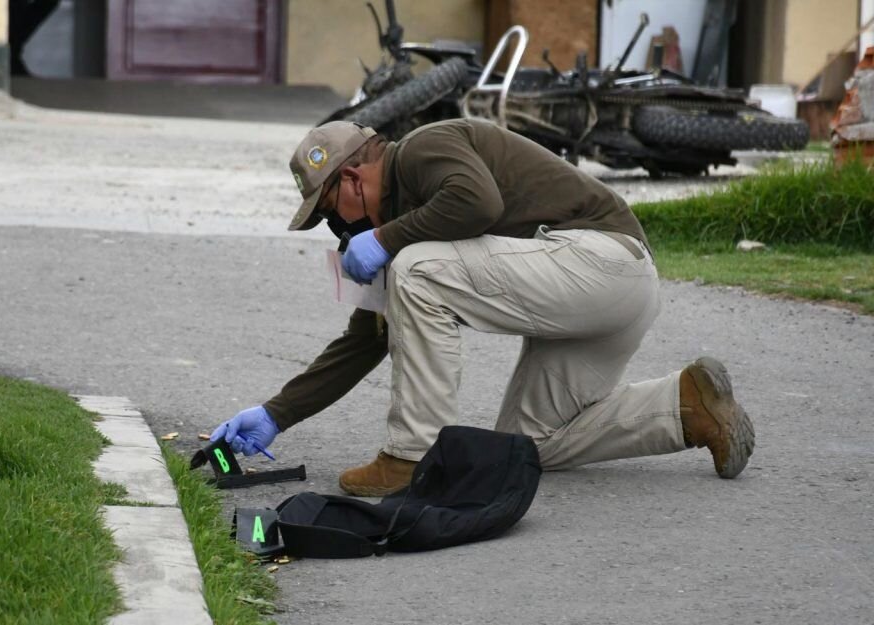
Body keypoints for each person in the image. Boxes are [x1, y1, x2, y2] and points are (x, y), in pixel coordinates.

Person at [210, 118, 755, 496]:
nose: (340, 231)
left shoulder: (423, 150)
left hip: (602, 263)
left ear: (352, 177)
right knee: (524, 447)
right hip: (606, 293)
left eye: (331, 215)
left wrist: (388, 240)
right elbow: (368, 339)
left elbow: (478, 202)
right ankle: (686, 407)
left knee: (417, 268)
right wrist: (276, 414)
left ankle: (411, 457)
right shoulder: (403, 227)